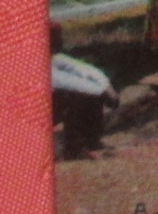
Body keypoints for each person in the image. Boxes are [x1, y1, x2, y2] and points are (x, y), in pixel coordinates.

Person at [50, 21, 118, 159]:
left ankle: (91, 140)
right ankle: (74, 149)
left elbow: (83, 69)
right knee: (80, 96)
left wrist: (106, 86)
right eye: (55, 38)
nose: (61, 41)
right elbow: (63, 82)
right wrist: (99, 90)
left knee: (92, 93)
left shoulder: (55, 58)